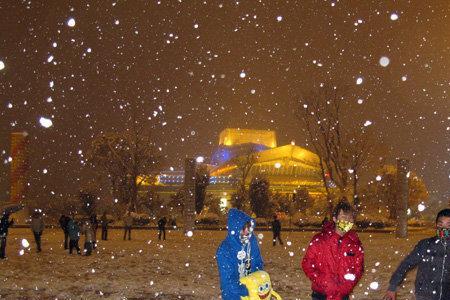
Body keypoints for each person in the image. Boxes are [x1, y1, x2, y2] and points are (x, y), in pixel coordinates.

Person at [302, 199, 364, 300]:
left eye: (350, 218)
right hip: (321, 294)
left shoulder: (354, 243)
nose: (347, 221)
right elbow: (307, 264)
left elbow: (358, 268)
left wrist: (346, 286)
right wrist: (324, 282)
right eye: (344, 217)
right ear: (334, 219)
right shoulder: (320, 240)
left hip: (343, 295)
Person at [383, 208, 450, 300]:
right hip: (425, 295)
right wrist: (392, 287)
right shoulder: (425, 245)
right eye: (440, 224)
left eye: (448, 225)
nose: (443, 229)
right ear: (436, 225)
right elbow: (406, 264)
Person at [216, 208, 264, 300]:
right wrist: (247, 289)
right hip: (234, 295)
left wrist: (258, 282)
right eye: (243, 228)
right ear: (235, 228)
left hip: (254, 293)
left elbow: (258, 264)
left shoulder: (252, 242)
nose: (247, 232)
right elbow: (228, 281)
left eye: (248, 227)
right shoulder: (225, 249)